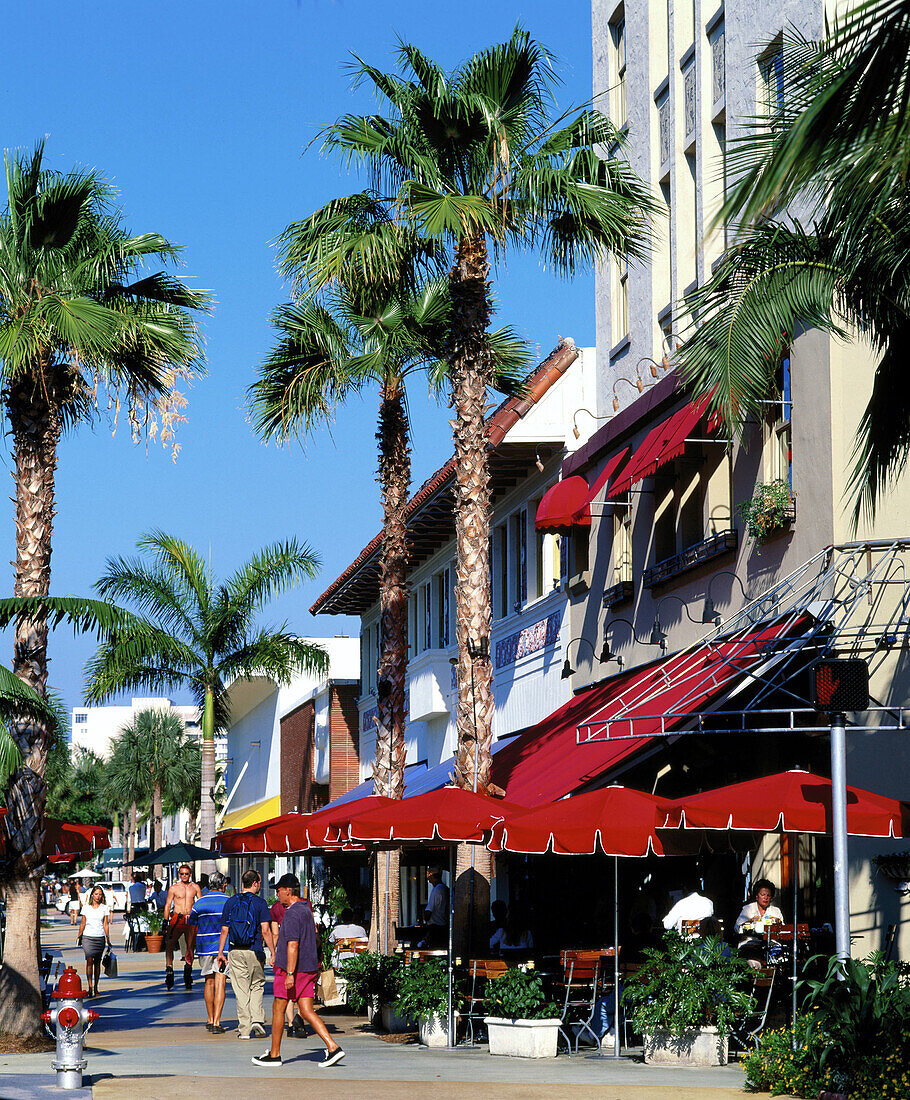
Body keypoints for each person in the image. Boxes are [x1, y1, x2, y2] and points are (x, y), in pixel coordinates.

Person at [251, 874, 345, 1069]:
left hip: (292, 970)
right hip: (308, 968)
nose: (276, 895)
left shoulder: (293, 913)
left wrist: (290, 973)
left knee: (278, 1008)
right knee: (306, 1010)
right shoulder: (305, 909)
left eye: (278, 891)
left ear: (288, 890)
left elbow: (293, 945)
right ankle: (333, 1047)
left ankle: (275, 1055)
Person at [217, 869, 274, 1040]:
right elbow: (265, 930)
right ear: (255, 883)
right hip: (254, 950)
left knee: (241, 990)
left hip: (235, 951)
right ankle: (257, 1019)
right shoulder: (260, 903)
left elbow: (224, 930)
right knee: (256, 985)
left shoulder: (230, 902)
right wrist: (273, 951)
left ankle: (244, 1029)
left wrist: (221, 953)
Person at [188, 870, 231, 1034]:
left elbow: (191, 928)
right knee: (220, 982)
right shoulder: (229, 902)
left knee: (209, 982)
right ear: (223, 885)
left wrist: (189, 949)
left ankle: (210, 1018)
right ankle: (217, 1022)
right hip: (224, 948)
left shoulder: (199, 903)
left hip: (204, 947)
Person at [270, 889, 308, 1037]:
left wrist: (274, 953)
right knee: (298, 993)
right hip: (300, 956)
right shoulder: (304, 905)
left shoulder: (276, 908)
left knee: (285, 995)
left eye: (278, 890)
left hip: (286, 954)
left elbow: (275, 934)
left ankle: (291, 1022)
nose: (277, 894)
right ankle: (298, 1020)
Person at [163, 863, 201, 990]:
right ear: (179, 875)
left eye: (186, 873)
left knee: (190, 947)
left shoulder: (195, 887)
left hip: (190, 918)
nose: (184, 876)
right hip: (177, 918)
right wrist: (165, 919)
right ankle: (169, 969)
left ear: (190, 874)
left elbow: (200, 903)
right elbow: (168, 904)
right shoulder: (174, 888)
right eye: (182, 874)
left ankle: (188, 971)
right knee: (170, 944)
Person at [735, 879, 784, 960]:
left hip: (771, 944)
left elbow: (783, 930)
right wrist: (750, 921)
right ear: (757, 896)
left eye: (768, 895)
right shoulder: (748, 908)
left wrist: (778, 922)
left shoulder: (776, 911)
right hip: (751, 943)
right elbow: (737, 928)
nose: (765, 898)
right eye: (763, 894)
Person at [77, 885, 111, 997]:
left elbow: (105, 924)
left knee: (97, 962)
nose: (98, 896)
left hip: (100, 936)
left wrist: (108, 938)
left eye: (100, 894)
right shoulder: (86, 908)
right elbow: (83, 922)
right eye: (96, 894)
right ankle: (90, 986)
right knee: (89, 961)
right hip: (88, 937)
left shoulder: (104, 908)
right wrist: (79, 935)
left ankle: (96, 987)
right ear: (92, 895)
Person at [421, 866, 449, 949]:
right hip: (443, 926)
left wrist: (425, 917)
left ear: (432, 875)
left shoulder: (437, 890)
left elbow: (428, 911)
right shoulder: (445, 889)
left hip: (436, 927)